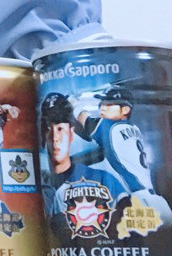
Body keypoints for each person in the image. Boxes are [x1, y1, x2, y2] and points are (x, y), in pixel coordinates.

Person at [71, 85, 172, 228]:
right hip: (158, 203)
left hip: (140, 204)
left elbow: (83, 118)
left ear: (125, 110)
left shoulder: (110, 127)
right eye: (102, 104)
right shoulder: (134, 129)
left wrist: (73, 102)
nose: (102, 108)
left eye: (109, 104)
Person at [40, 93, 127, 240]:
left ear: (72, 132)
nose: (55, 138)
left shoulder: (101, 178)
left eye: (60, 129)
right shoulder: (40, 189)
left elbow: (126, 218)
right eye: (48, 129)